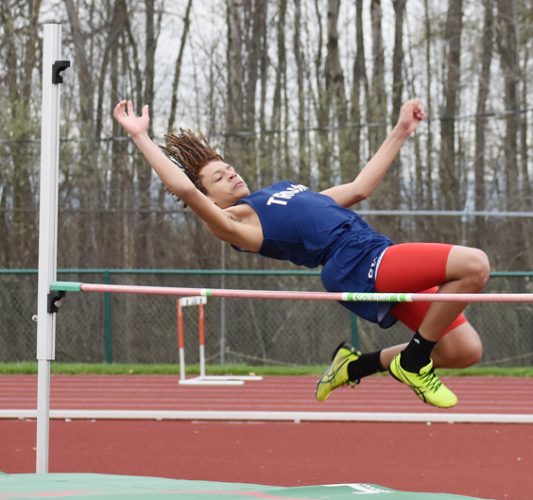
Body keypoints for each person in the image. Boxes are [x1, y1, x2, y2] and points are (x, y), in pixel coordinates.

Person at [113, 98, 490, 409]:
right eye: (218, 178)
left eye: (228, 168)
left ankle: (355, 366)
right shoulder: (234, 223)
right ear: (210, 198)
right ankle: (413, 361)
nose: (230, 174)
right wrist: (141, 136)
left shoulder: (279, 193)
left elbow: (360, 187)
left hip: (374, 251)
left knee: (463, 350)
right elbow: (185, 189)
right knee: (474, 265)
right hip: (356, 264)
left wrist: (401, 130)